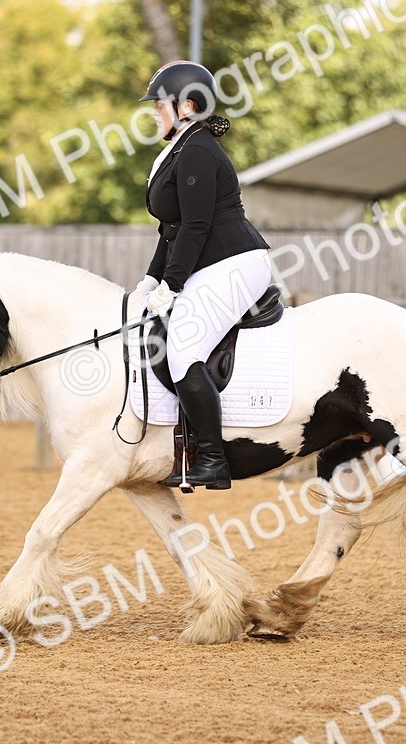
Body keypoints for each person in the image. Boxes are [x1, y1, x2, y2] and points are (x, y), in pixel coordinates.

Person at [135, 61, 271, 491]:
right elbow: (172, 228)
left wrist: (172, 286)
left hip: (234, 262)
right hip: (210, 262)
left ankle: (213, 459)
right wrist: (151, 280)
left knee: (183, 345)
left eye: (161, 104)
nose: (155, 111)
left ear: (187, 105)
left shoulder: (196, 149)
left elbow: (196, 226)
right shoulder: (182, 146)